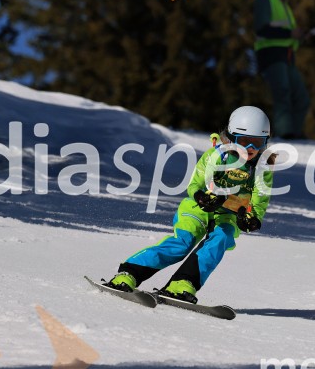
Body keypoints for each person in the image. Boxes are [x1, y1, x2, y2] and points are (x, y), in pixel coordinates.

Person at [105, 106, 274, 303]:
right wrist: (201, 197)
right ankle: (129, 273)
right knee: (182, 244)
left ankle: (183, 283)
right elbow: (195, 183)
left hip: (228, 214)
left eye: (257, 143)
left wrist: (254, 218)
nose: (250, 149)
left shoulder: (262, 168)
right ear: (230, 137)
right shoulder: (218, 156)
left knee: (219, 241)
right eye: (244, 141)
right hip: (198, 208)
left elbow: (260, 196)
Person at [253, 0, 310, 139]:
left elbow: (288, 34)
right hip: (271, 55)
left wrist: (300, 37)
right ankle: (286, 135)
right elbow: (262, 28)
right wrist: (289, 34)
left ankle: (294, 134)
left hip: (287, 56)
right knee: (283, 93)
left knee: (301, 97)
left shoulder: (283, 3)